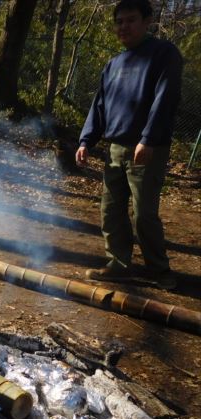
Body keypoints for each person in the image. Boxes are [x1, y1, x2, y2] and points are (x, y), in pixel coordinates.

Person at [76, 0, 182, 290]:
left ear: (147, 21)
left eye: (131, 20)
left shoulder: (163, 54)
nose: (124, 26)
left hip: (147, 149)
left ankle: (159, 270)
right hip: (115, 148)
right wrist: (86, 140)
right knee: (110, 210)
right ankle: (118, 264)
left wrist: (147, 138)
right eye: (119, 22)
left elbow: (165, 98)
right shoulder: (114, 64)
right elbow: (100, 105)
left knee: (145, 213)